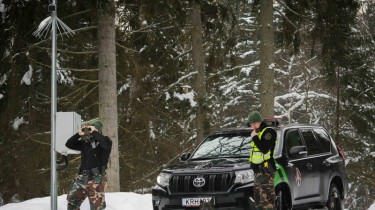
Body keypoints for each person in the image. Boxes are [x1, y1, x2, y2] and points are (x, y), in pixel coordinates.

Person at [65, 118, 112, 210]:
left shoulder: (105, 141)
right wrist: (78, 134)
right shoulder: (85, 143)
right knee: (72, 201)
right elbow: (69, 144)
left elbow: (106, 144)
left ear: (97, 130)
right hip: (82, 177)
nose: (89, 132)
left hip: (96, 179)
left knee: (96, 207)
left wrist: (94, 132)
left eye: (91, 129)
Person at [247, 111, 277, 210]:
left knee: (267, 202)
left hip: (266, 171)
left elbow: (264, 149)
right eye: (251, 124)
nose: (253, 126)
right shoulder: (257, 133)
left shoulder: (269, 132)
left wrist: (254, 137)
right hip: (258, 172)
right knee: (258, 202)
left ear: (260, 121)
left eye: (255, 123)